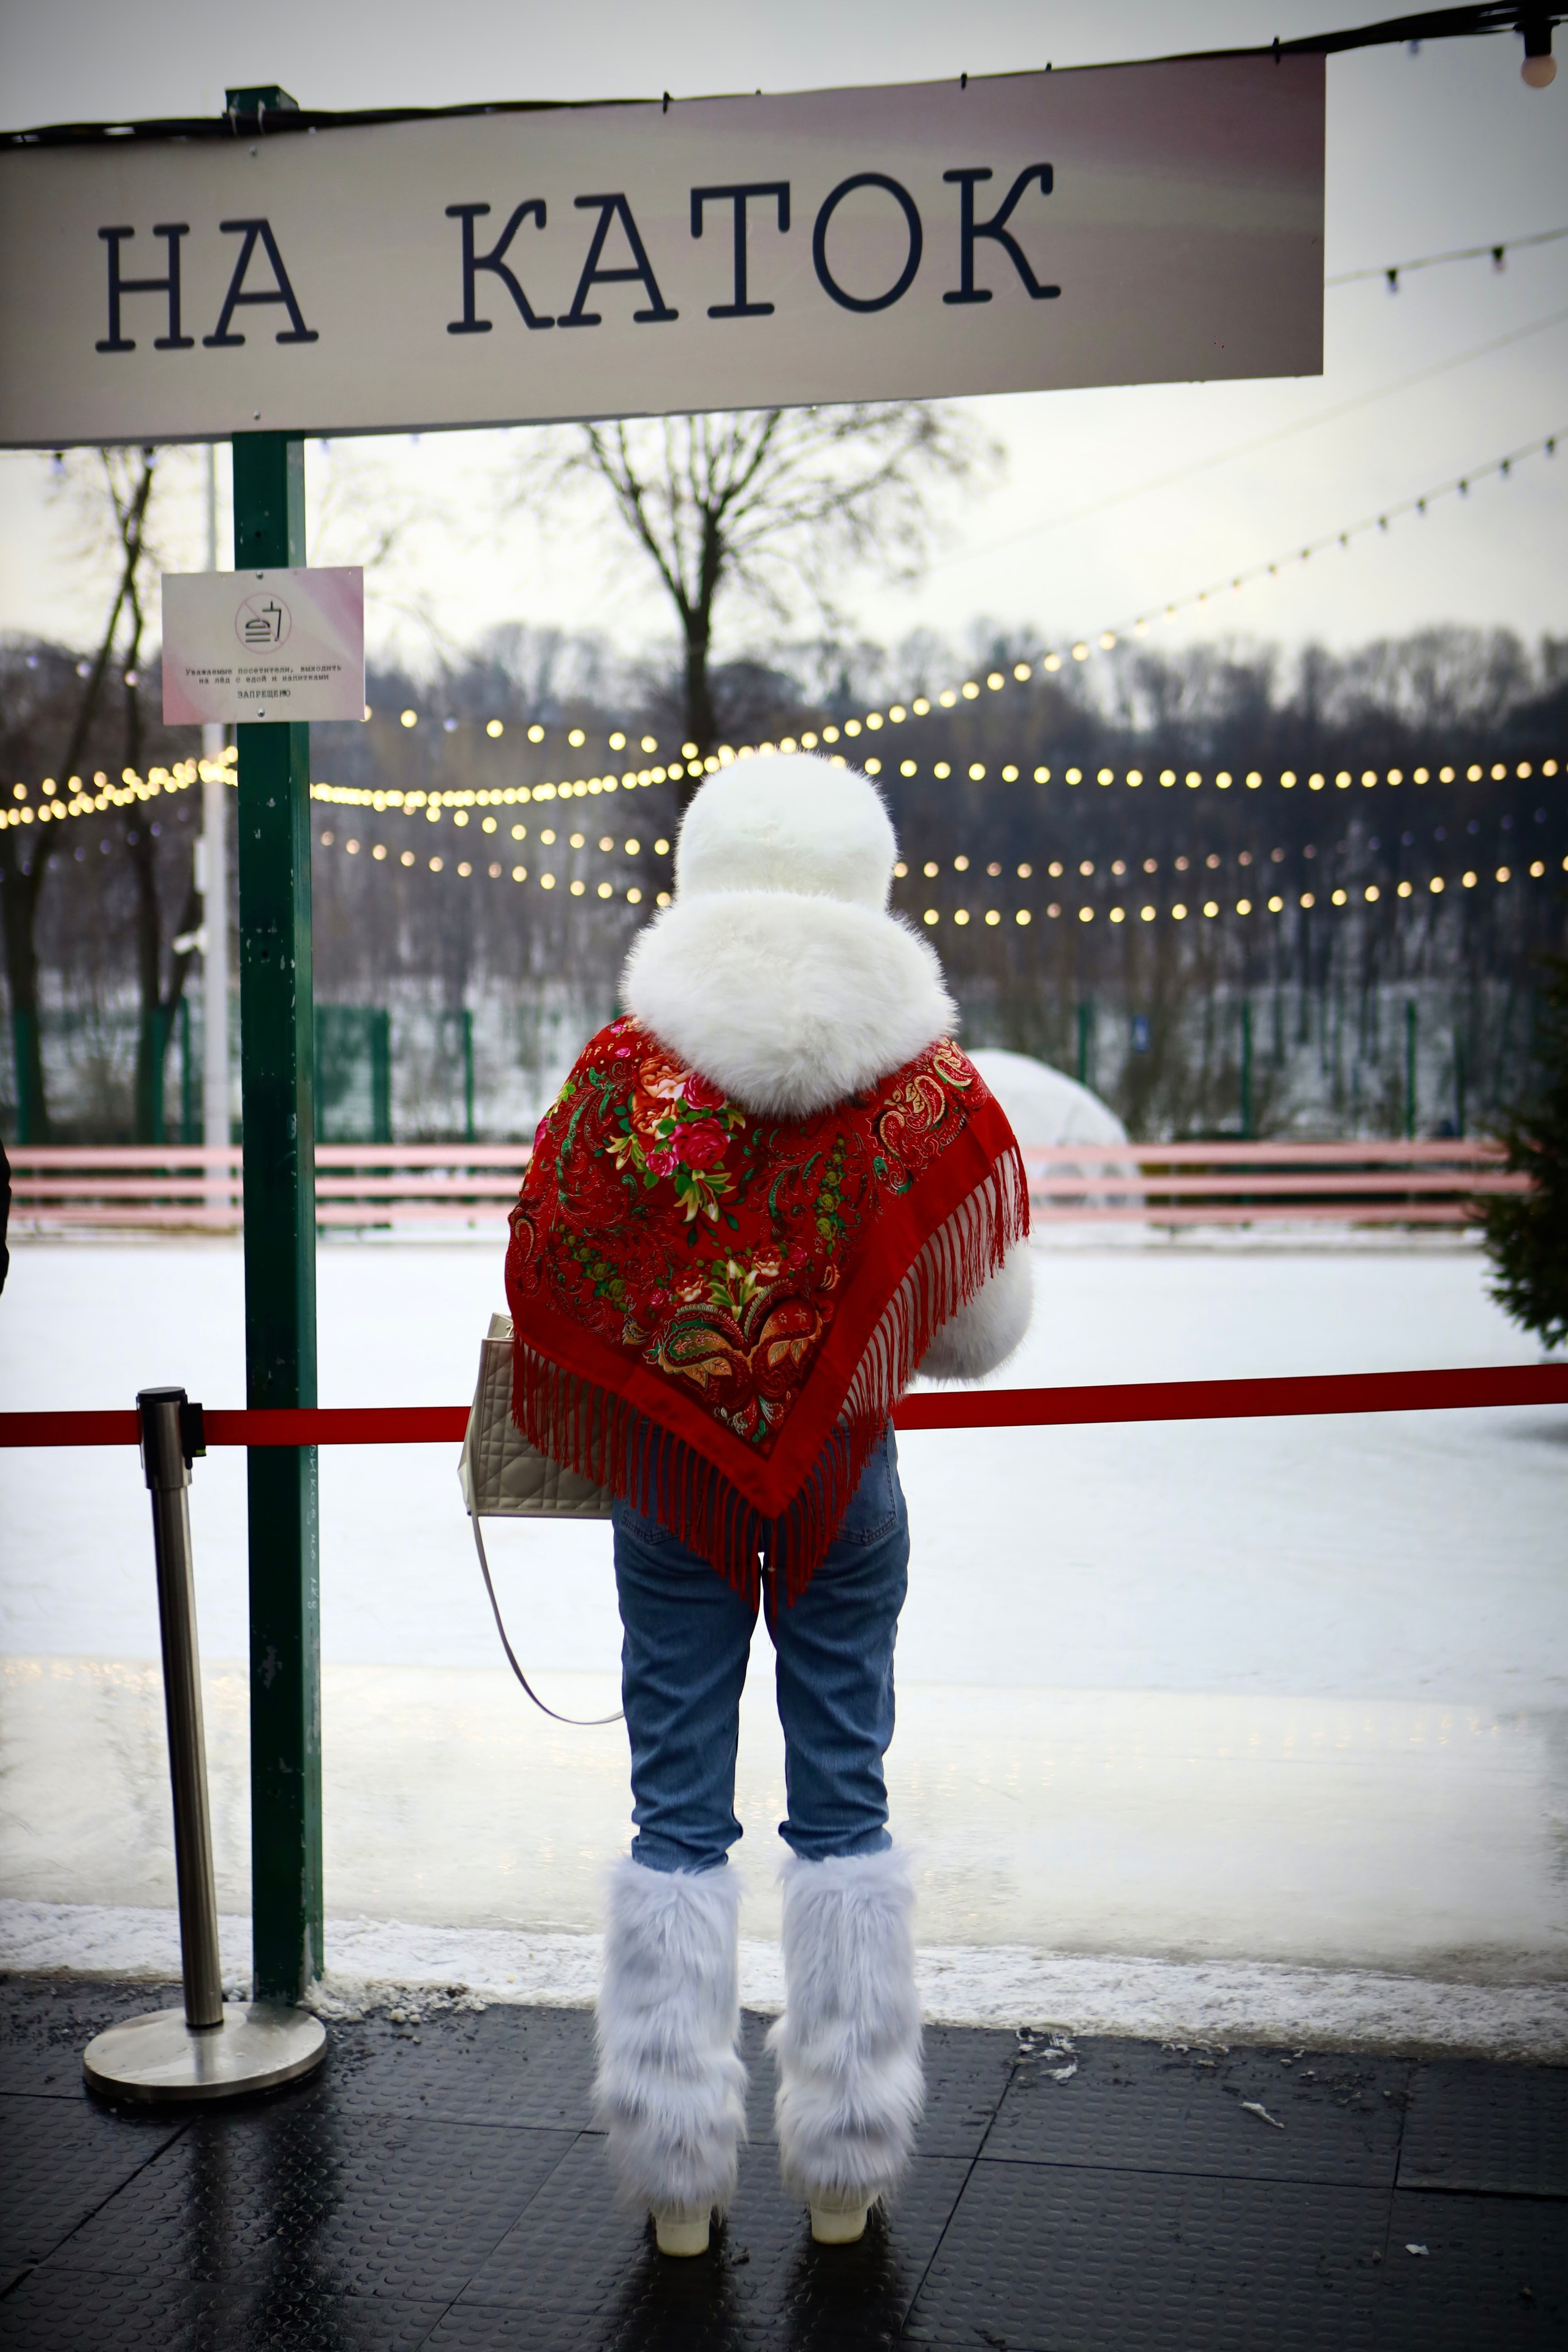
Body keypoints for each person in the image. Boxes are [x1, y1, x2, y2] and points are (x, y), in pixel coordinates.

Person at [504, 752, 1032, 2256]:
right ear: (864, 873)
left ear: (703, 869)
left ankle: (675, 2178)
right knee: (843, 1796)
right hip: (846, 1476)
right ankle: (846, 2164)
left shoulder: (625, 1064)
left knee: (674, 1808)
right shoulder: (918, 1076)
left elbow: (549, 1263)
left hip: (667, 1482)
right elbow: (978, 1330)